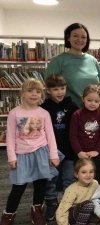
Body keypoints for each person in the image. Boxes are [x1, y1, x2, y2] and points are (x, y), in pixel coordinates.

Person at [0, 78, 60, 225]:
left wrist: (53, 155)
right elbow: (11, 137)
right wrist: (11, 157)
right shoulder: (14, 113)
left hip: (41, 152)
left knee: (40, 185)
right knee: (19, 186)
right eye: (30, 91)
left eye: (38, 91)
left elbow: (51, 135)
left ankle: (37, 210)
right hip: (22, 155)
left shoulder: (43, 113)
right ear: (22, 93)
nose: (34, 94)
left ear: (42, 94)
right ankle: (9, 214)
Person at [41, 74, 79, 220]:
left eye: (62, 88)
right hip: (51, 151)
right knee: (50, 178)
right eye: (55, 89)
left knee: (68, 179)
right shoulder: (44, 108)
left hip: (69, 150)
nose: (60, 92)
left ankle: (66, 203)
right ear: (49, 90)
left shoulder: (72, 106)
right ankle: (51, 203)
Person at [44, 22, 100, 106]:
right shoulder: (58, 60)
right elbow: (49, 88)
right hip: (67, 113)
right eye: (75, 36)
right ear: (68, 38)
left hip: (93, 112)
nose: (79, 40)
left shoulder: (93, 60)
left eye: (83, 37)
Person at [70, 85, 100, 183]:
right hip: (80, 153)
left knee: (96, 177)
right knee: (80, 177)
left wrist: (97, 151)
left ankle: (96, 197)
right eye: (89, 100)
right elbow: (73, 135)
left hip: (96, 154)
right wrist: (79, 152)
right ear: (83, 98)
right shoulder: (77, 115)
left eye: (96, 101)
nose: (92, 104)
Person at [55, 158, 99, 225]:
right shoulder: (71, 190)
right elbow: (62, 211)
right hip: (73, 215)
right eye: (83, 172)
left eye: (91, 172)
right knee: (89, 204)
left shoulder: (95, 183)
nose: (88, 175)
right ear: (76, 174)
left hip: (87, 214)